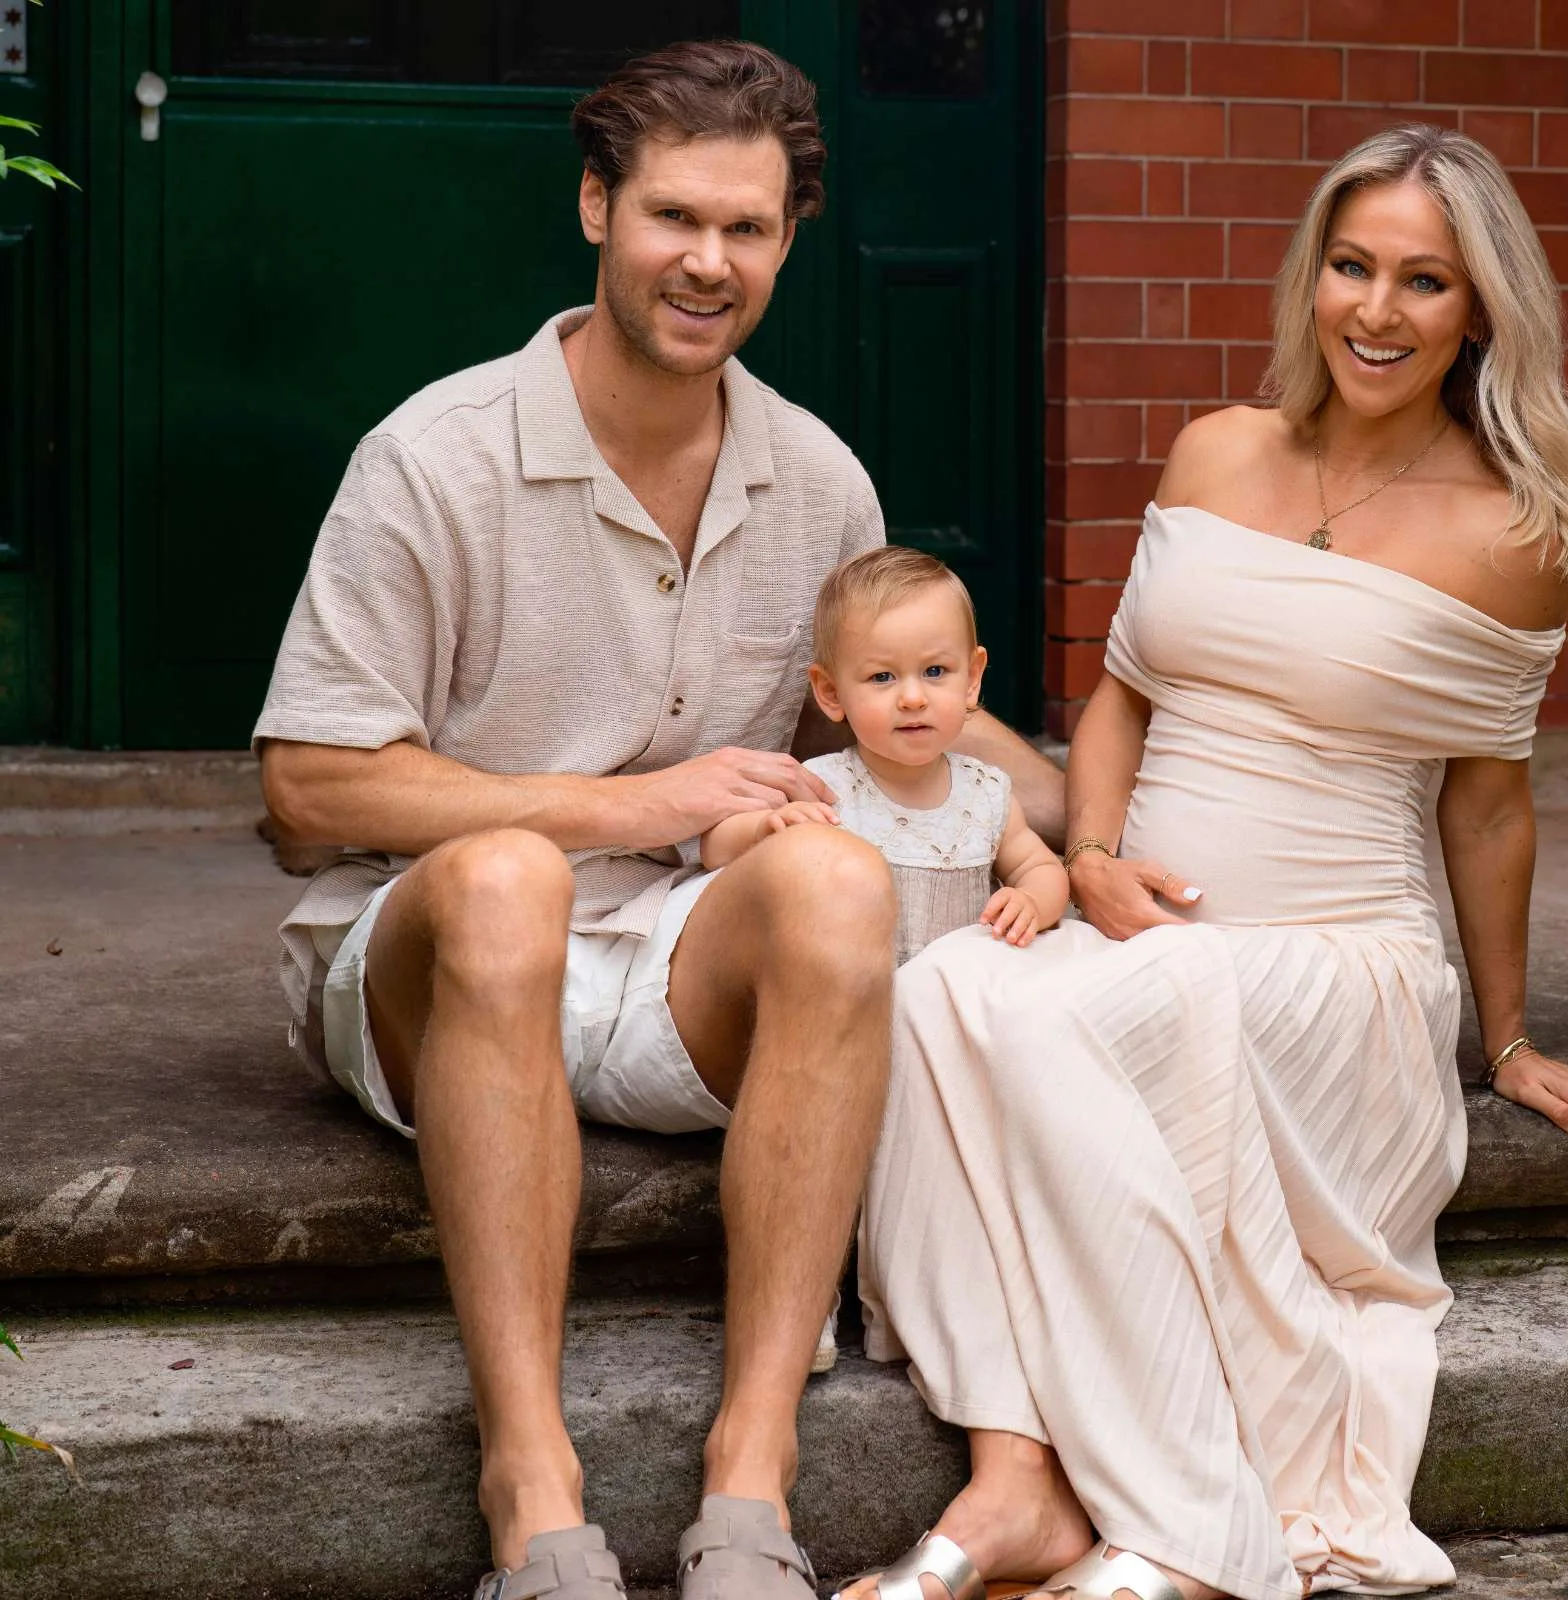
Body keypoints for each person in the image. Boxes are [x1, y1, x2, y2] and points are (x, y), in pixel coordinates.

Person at [252, 40, 1061, 1600]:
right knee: (499, 881)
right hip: (434, 970)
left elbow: (912, 704)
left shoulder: (815, 477)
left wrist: (1088, 826)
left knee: (834, 881)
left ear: (785, 241)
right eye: (672, 217)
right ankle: (533, 1493)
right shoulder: (437, 456)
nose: (707, 262)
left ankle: (750, 1480)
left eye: (747, 229)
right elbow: (306, 792)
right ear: (593, 208)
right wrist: (633, 804)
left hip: (676, 969)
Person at [846, 123, 1568, 1600]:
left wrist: (1514, 1037)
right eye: (1350, 265)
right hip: (1134, 930)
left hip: (1335, 959)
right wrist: (1087, 851)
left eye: (1423, 281)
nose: (1374, 309)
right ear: (1311, 275)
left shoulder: (1514, 531)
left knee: (1032, 1019)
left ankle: (1190, 1527)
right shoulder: (1216, 450)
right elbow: (1121, 696)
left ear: (1478, 308)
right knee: (932, 995)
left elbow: (1485, 806)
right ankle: (1016, 1480)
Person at [702, 547, 1069, 961]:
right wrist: (764, 828)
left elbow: (1038, 868)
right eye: (882, 677)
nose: (912, 698)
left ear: (971, 679)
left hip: (964, 991)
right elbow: (714, 847)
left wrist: (1033, 902)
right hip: (863, 994)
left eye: (934, 672)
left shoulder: (985, 792)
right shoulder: (823, 787)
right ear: (831, 692)